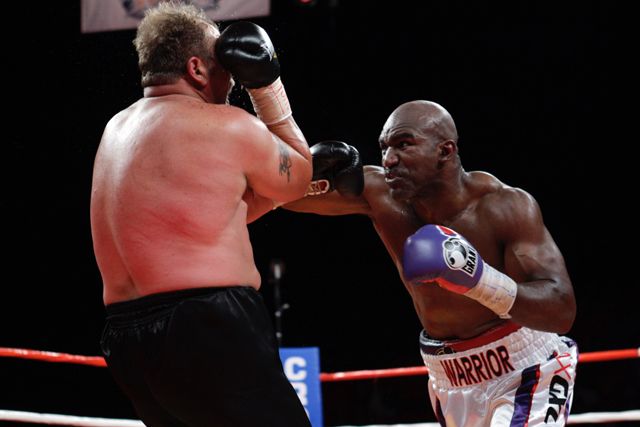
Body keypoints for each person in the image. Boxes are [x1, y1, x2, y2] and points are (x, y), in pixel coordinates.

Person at [284, 100, 578, 426]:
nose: (389, 159)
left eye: (404, 144)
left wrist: (479, 279)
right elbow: (277, 194)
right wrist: (304, 170)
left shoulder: (503, 207)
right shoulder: (379, 194)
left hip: (524, 368)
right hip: (449, 377)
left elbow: (561, 309)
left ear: (445, 151)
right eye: (384, 148)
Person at [90, 2, 313, 426]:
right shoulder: (224, 123)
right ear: (196, 68)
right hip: (207, 325)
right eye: (221, 63)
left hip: (127, 339)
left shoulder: (114, 132)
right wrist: (267, 86)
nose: (229, 76)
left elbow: (197, 219)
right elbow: (298, 175)